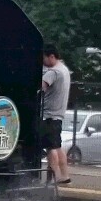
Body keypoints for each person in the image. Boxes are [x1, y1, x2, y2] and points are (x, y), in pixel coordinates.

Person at [39, 45, 72, 186]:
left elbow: (39, 88)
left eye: (44, 58)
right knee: (57, 146)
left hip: (49, 116)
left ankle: (55, 177)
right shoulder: (64, 69)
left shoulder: (53, 72)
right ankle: (64, 176)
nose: (43, 61)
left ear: (51, 56)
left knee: (50, 148)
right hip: (58, 115)